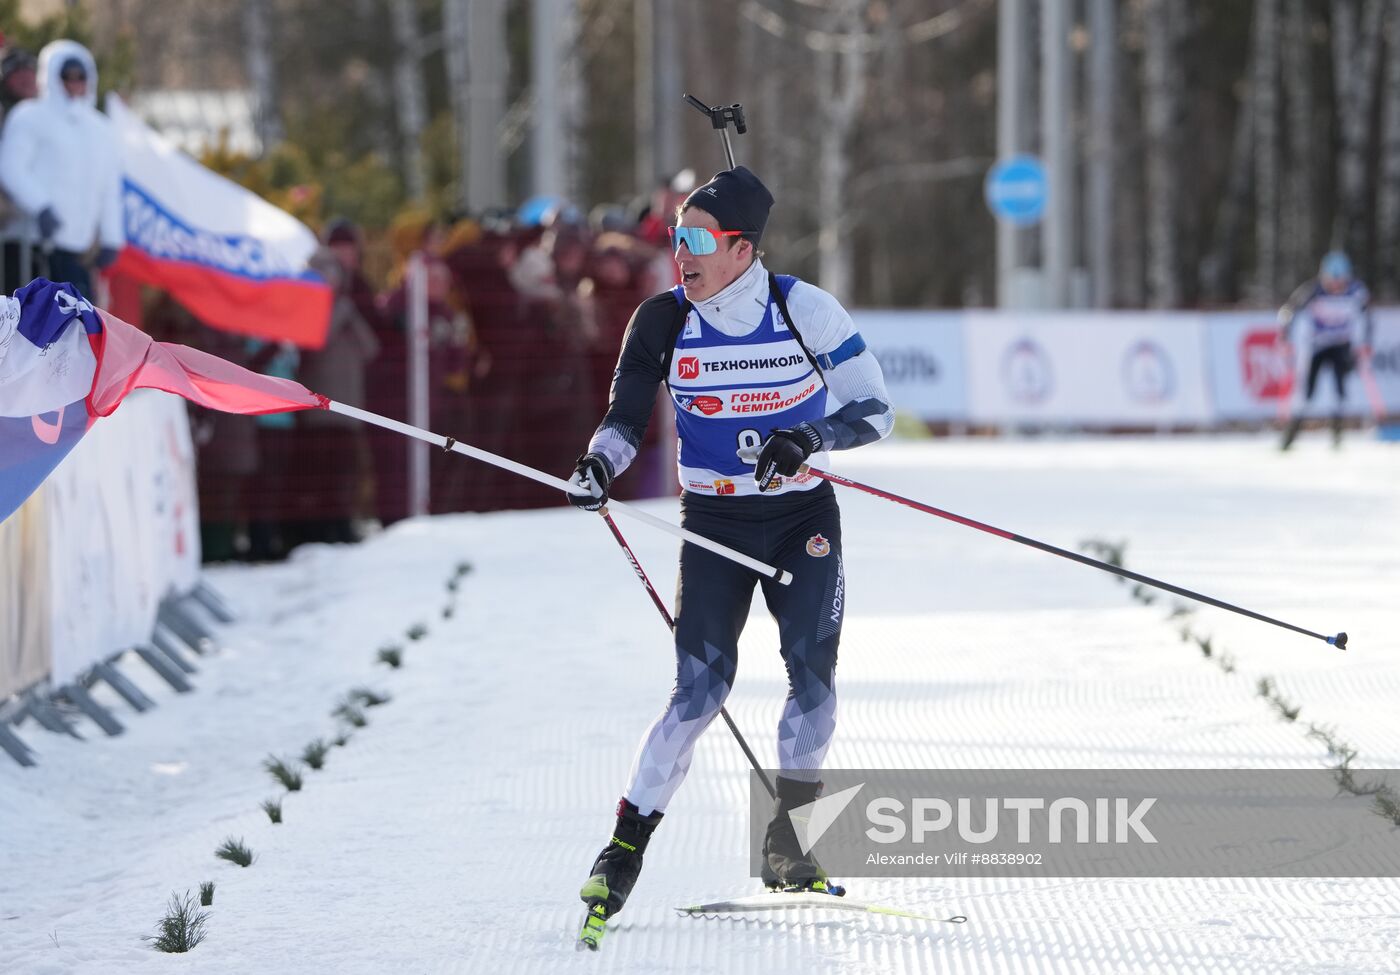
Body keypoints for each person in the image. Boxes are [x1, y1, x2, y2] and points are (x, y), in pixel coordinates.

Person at [566, 166, 893, 932]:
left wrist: (811, 436)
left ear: (742, 249)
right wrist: (596, 467)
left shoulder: (801, 307)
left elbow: (874, 409)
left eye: (699, 239)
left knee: (811, 673)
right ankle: (621, 850)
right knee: (698, 692)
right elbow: (623, 421)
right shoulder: (661, 320)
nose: (682, 252)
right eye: (678, 237)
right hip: (712, 524)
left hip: (798, 518)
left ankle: (789, 840)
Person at [0, 40, 122, 299]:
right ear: (54, 76)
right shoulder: (30, 116)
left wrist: (112, 236)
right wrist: (41, 206)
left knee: (76, 328)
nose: (75, 83)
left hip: (78, 251)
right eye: (68, 75)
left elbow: (110, 186)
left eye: (81, 76)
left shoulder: (101, 129)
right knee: (29, 328)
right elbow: (11, 167)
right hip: (33, 246)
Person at [1278, 250, 1373, 450]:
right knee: (1306, 393)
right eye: (1332, 280)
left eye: (1341, 280)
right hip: (1317, 346)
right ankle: (1290, 436)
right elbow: (1289, 310)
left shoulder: (1356, 291)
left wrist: (1365, 342)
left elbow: (1367, 317)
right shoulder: (1314, 290)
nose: (1336, 286)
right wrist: (1285, 335)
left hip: (1341, 345)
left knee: (1340, 391)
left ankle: (1337, 436)